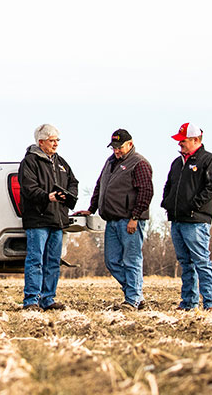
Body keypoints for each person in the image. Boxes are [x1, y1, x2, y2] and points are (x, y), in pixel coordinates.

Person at [86, 129, 153, 310]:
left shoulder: (139, 163)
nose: (116, 151)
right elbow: (100, 185)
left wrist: (135, 217)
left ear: (130, 144)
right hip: (112, 220)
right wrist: (91, 208)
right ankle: (136, 294)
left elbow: (146, 192)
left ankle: (132, 299)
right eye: (114, 147)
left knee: (131, 260)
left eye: (120, 147)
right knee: (112, 261)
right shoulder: (110, 162)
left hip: (129, 221)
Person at [161, 122, 212, 311]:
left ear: (196, 140)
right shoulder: (177, 163)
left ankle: (211, 303)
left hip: (196, 221)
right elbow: (169, 185)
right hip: (177, 220)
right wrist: (167, 203)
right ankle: (188, 302)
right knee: (185, 264)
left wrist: (193, 205)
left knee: (201, 262)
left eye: (183, 141)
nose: (180, 144)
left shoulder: (209, 161)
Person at [19, 123, 78, 311]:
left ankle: (48, 299)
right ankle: (31, 301)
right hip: (37, 220)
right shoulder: (30, 162)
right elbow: (28, 188)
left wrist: (68, 196)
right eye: (52, 141)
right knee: (35, 260)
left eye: (57, 140)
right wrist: (47, 197)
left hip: (58, 220)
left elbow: (73, 182)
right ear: (41, 141)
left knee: (53, 262)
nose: (56, 144)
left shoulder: (61, 163)